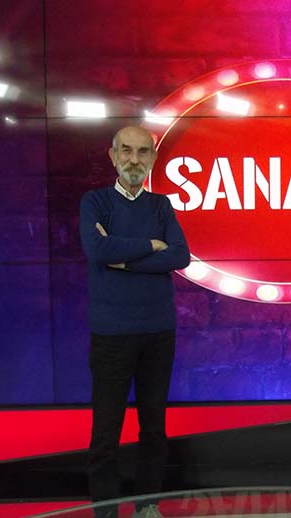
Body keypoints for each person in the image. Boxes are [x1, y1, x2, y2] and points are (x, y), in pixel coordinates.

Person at [80, 125, 190, 518]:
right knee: (106, 431)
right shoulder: (95, 202)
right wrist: (150, 246)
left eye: (143, 152)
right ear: (113, 156)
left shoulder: (161, 206)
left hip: (158, 332)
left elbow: (180, 256)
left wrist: (124, 260)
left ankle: (147, 505)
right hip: (111, 334)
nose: (134, 160)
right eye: (126, 151)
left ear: (153, 159)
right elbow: (97, 249)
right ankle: (105, 511)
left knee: (153, 428)